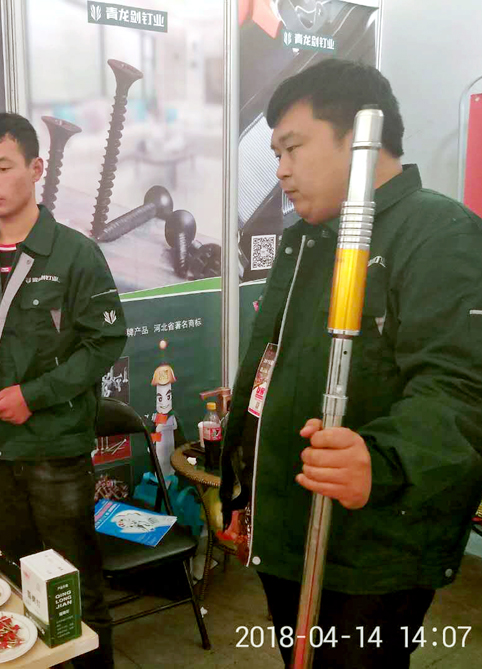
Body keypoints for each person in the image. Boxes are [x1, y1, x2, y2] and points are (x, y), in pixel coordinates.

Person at [219, 58, 482, 667]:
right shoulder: (310, 239)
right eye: (275, 153)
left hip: (369, 552)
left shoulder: (438, 234)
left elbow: (461, 389)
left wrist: (384, 460)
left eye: (292, 148)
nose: (280, 170)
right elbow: (275, 364)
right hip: (292, 528)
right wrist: (241, 476)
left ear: (363, 136)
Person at [0, 113, 127, 668]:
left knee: (75, 590)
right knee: (17, 584)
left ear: (36, 168)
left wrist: (35, 395)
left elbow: (104, 342)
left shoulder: (75, 254)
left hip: (54, 452)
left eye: (3, 167)